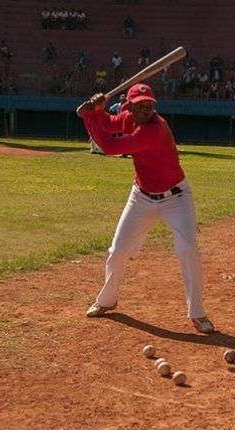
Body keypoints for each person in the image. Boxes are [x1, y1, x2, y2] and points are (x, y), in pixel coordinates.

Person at [76, 84, 215, 334]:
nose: (146, 109)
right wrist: (97, 112)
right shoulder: (129, 117)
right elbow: (109, 124)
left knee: (188, 249)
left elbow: (109, 146)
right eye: (140, 105)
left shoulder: (155, 129)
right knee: (117, 250)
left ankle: (197, 312)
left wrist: (89, 116)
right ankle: (107, 301)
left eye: (149, 104)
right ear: (129, 106)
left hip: (176, 197)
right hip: (141, 196)